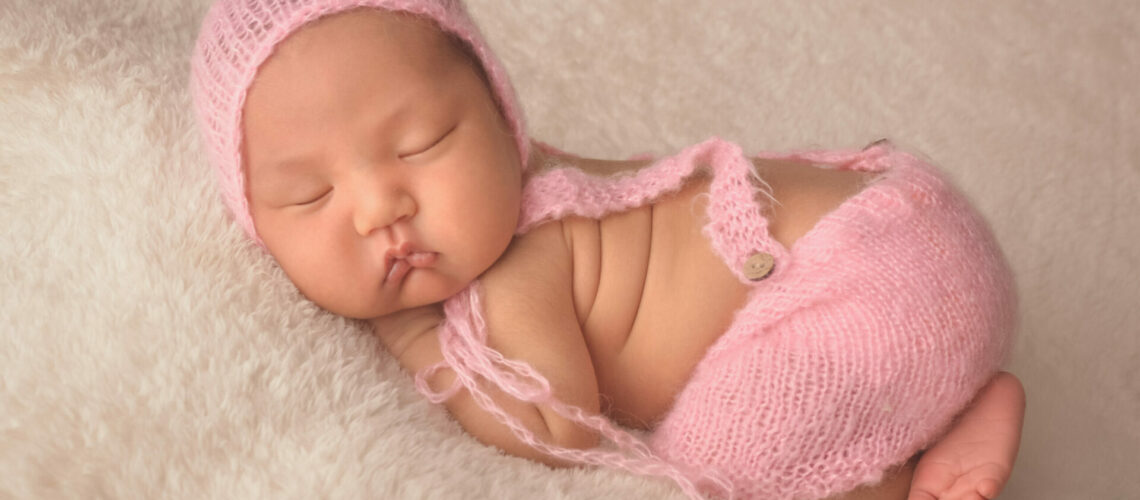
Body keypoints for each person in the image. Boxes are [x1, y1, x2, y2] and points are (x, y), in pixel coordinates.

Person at [190, 1, 1025, 498]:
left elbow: (555, 423)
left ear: (504, 121)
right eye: (312, 195)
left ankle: (906, 476)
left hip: (859, 278)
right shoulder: (548, 194)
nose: (381, 205)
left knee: (721, 465)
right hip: (907, 215)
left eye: (422, 143)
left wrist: (411, 335)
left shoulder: (525, 258)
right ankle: (950, 417)